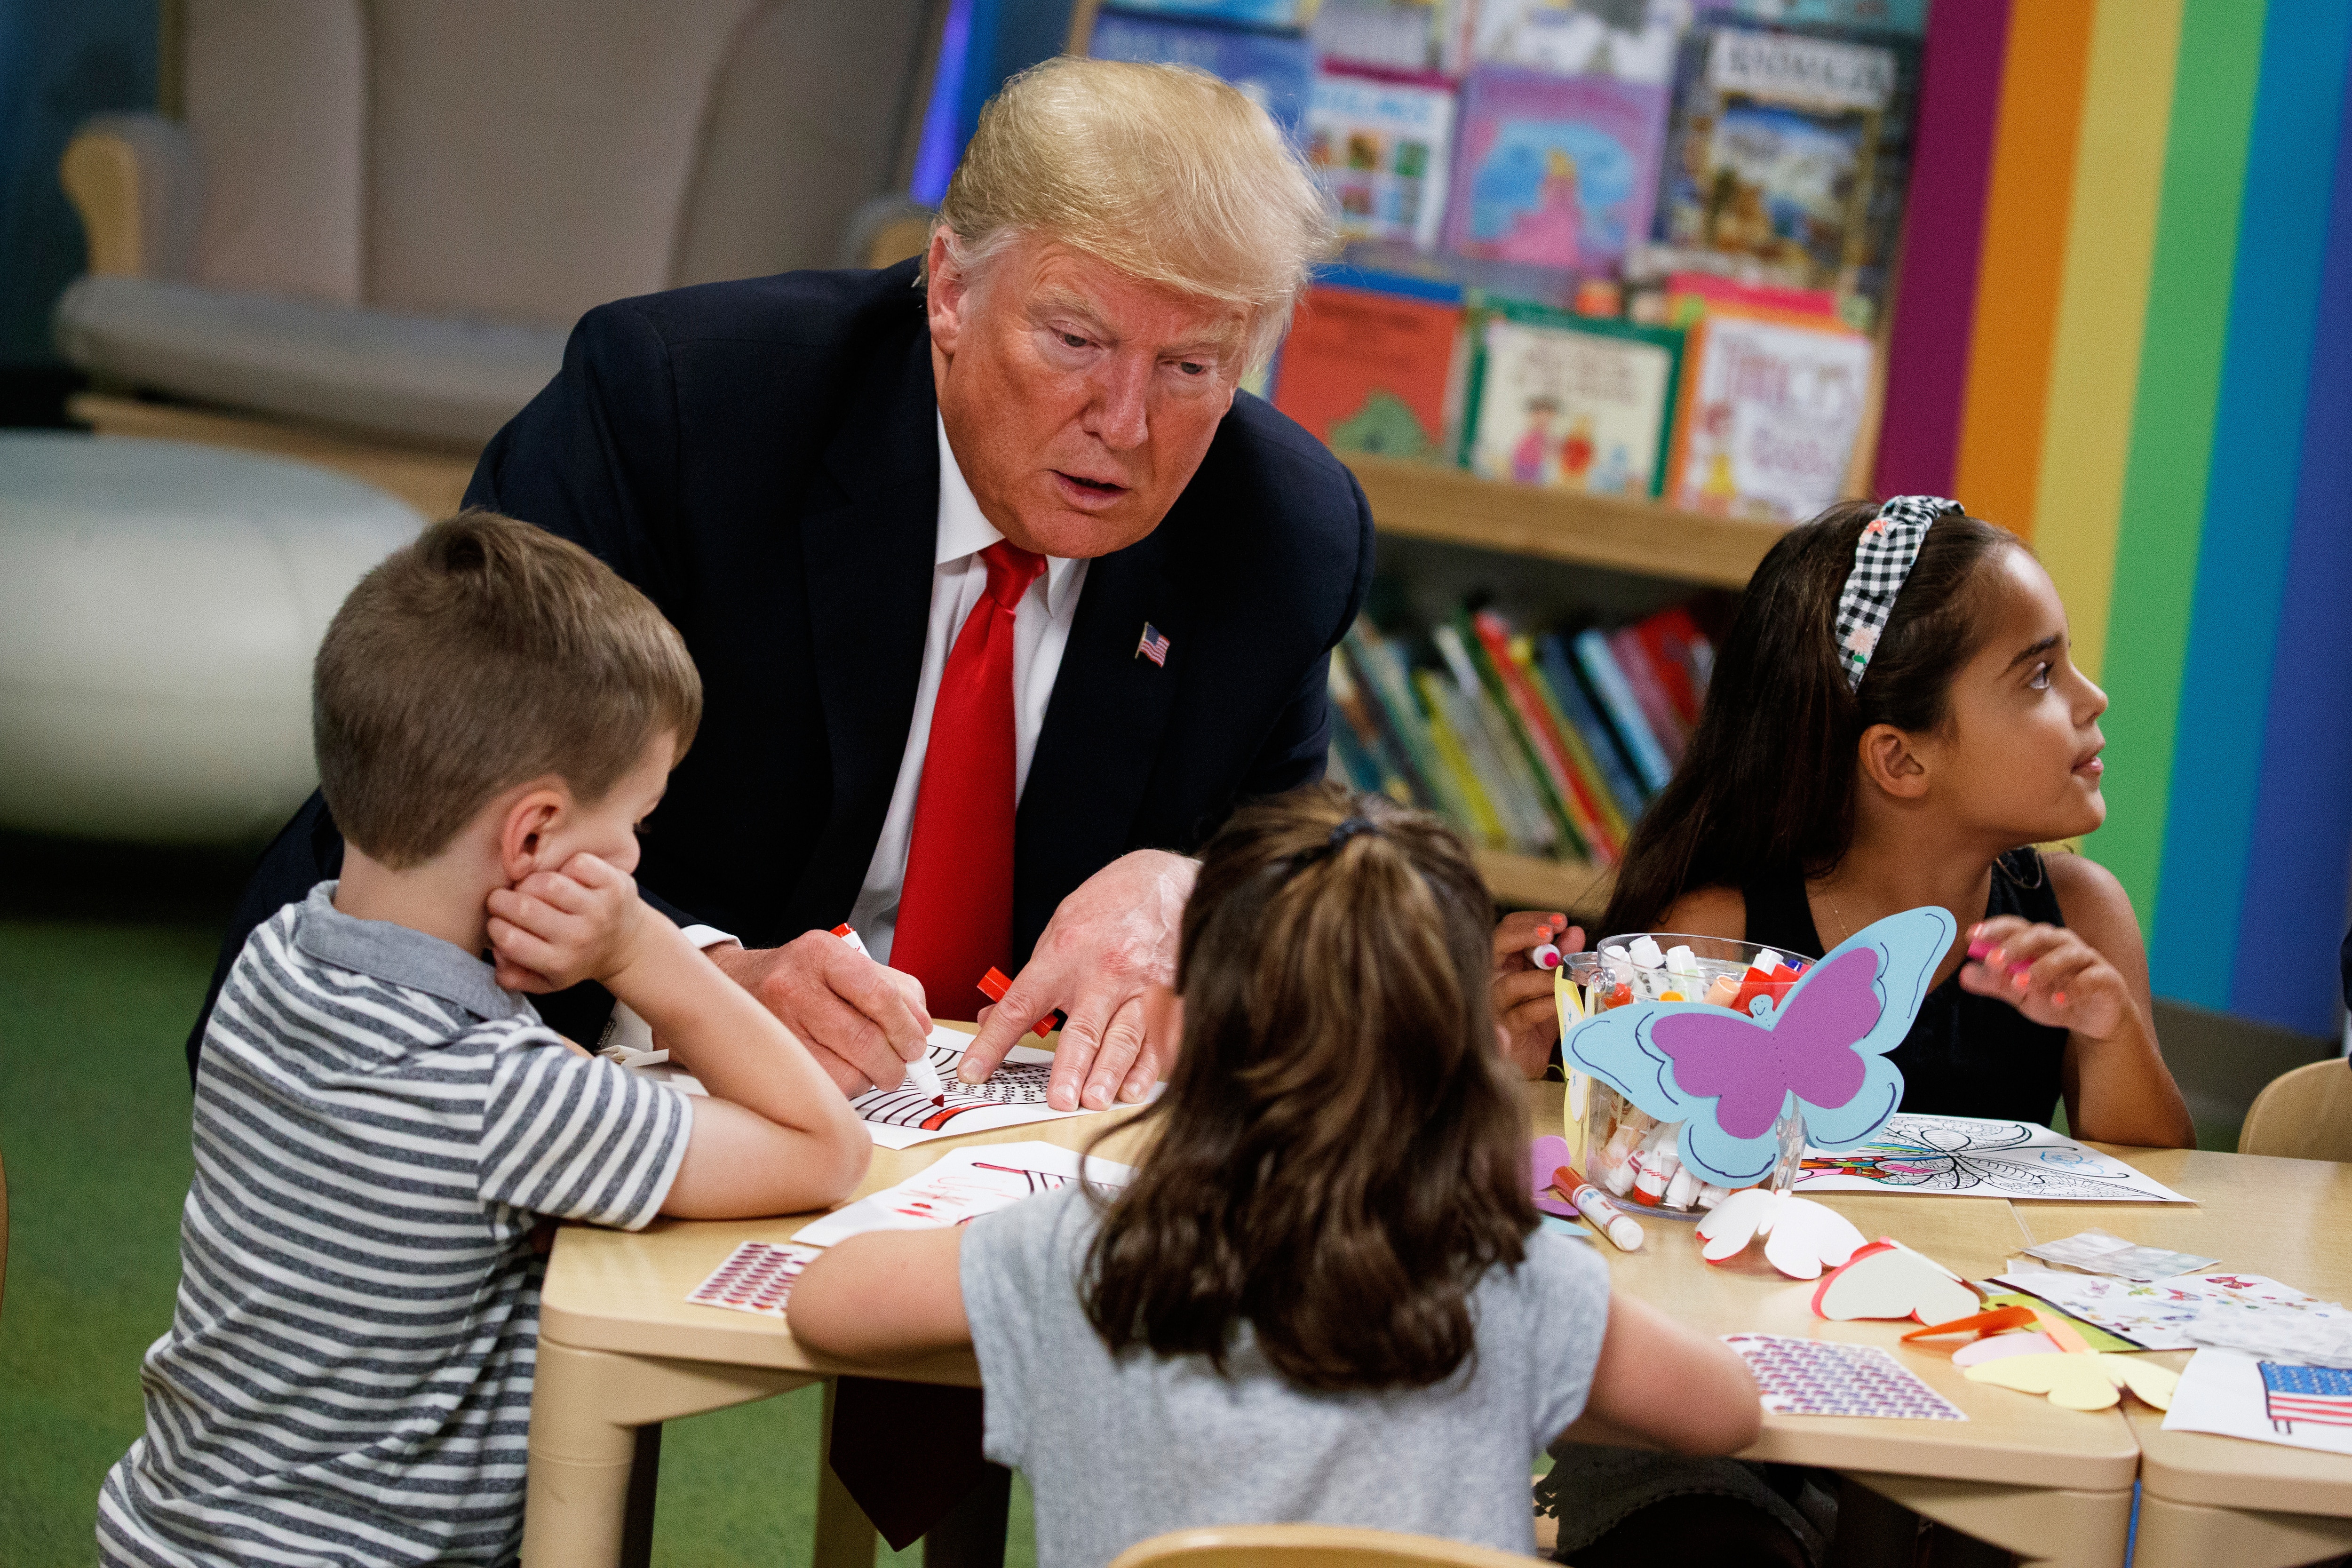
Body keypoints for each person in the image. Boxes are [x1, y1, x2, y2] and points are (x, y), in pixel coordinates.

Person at [188, 56, 1367, 1132]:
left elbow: (1290, 876)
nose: (1123, 422)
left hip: (966, 1122)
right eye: (1072, 340)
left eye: (1190, 368)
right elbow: (457, 794)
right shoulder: (681, 408)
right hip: (541, 1039)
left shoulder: (1282, 534)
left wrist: (1187, 885)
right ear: (950, 290)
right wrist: (702, 979)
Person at [99, 513, 869, 1568]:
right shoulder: (501, 1095)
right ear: (536, 837)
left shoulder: (279, 957)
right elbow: (824, 1142)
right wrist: (641, 948)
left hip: (173, 1533)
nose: (637, 851)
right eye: (636, 821)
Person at [788, 783, 1762, 1568]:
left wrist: (994, 1236)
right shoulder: (1520, 1283)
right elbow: (1725, 1411)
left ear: (1171, 1033)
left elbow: (827, 1303)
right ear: (1469, 1057)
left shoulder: (1074, 1253)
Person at [1535, 495, 2193, 1568]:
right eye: (2037, 675)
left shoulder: (2081, 916)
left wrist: (2109, 1034)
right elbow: (1640, 1211)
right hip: (1724, 1427)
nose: (2089, 697)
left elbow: (2157, 1191)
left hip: (1970, 1409)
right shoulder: (1720, 936)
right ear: (1900, 759)